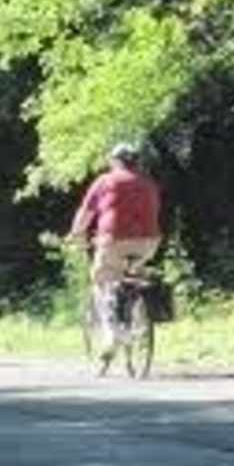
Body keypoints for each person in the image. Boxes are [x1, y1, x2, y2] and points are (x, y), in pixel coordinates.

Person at [69, 143, 161, 362]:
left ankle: (111, 336)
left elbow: (86, 213)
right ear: (136, 162)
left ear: (114, 161)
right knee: (133, 274)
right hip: (148, 243)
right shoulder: (148, 183)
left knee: (100, 278)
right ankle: (135, 313)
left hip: (114, 241)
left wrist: (75, 235)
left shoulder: (104, 181)